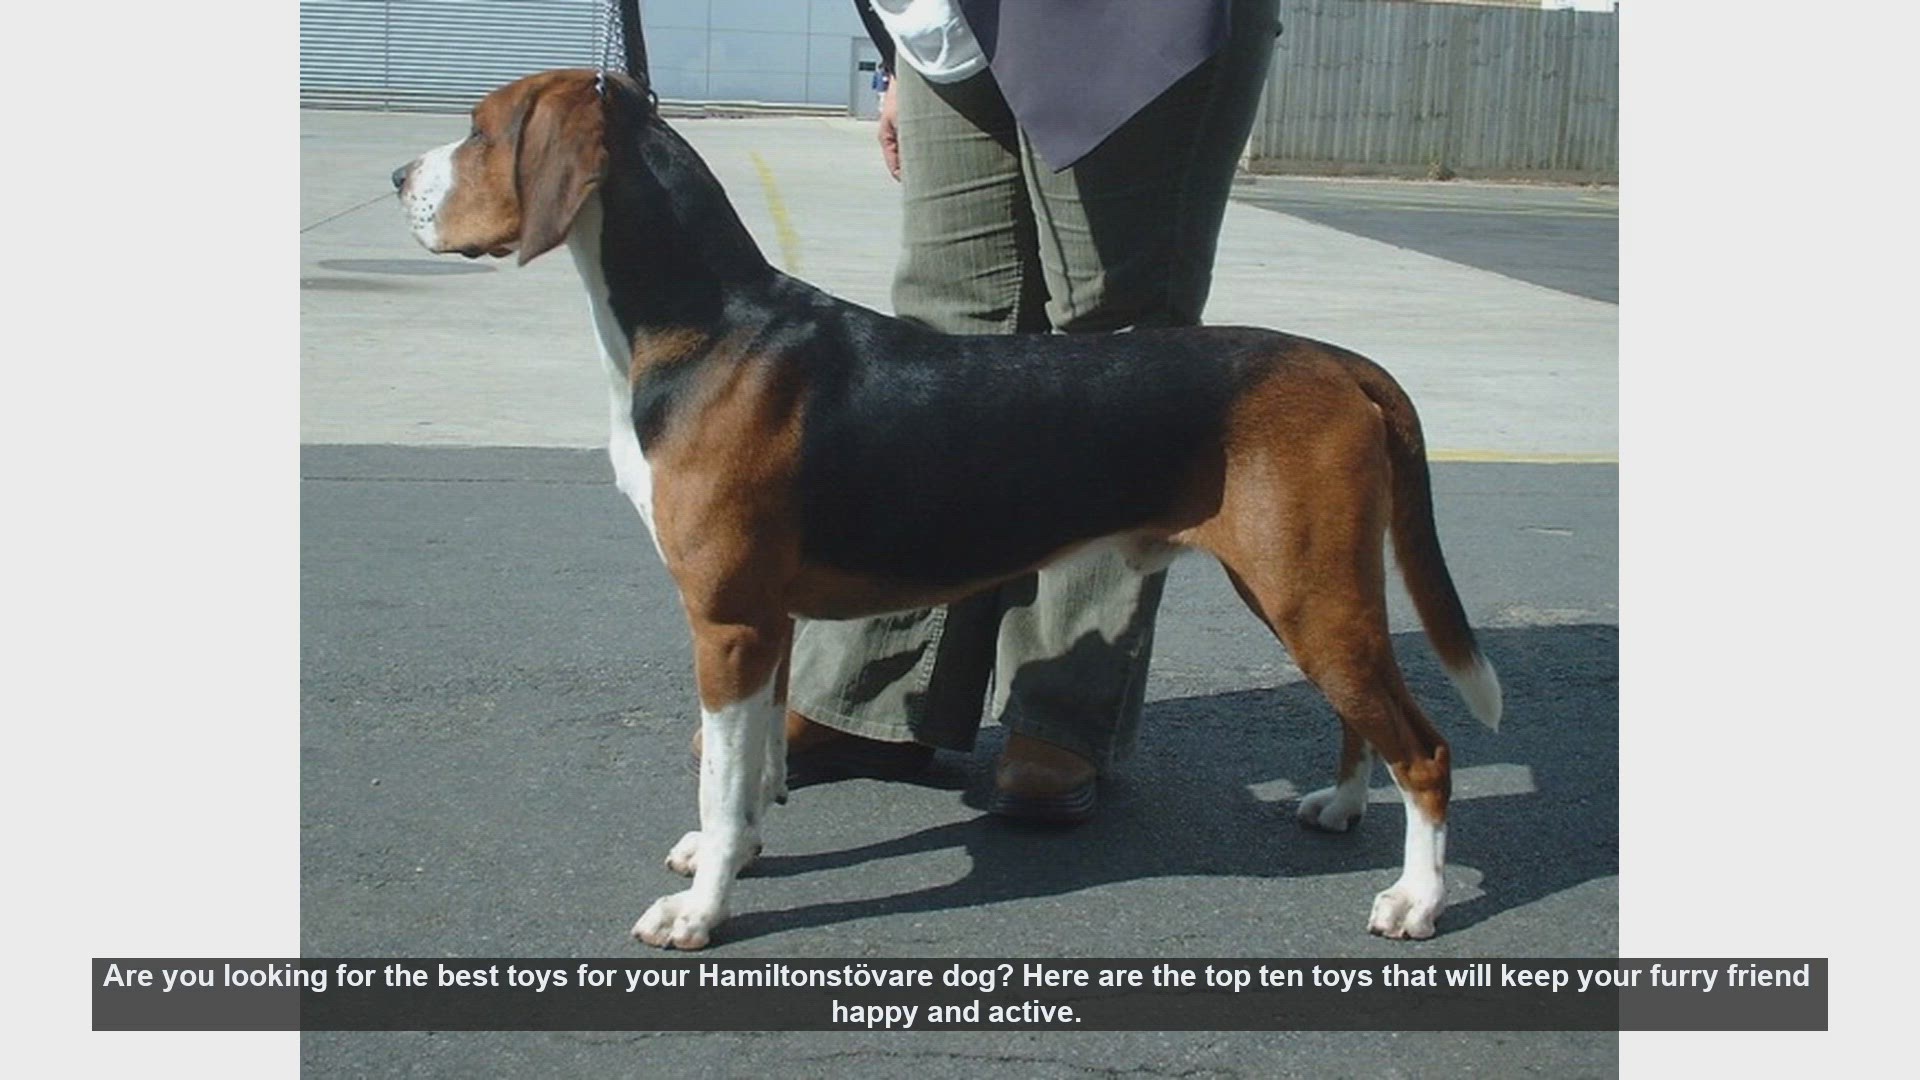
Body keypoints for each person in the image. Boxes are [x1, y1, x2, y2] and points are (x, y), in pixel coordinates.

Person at [778, 0, 1280, 823]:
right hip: (947, 25)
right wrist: (897, 59)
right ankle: (876, 693)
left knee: (1112, 342)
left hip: (1119, 18)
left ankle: (1060, 708)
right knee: (939, 341)